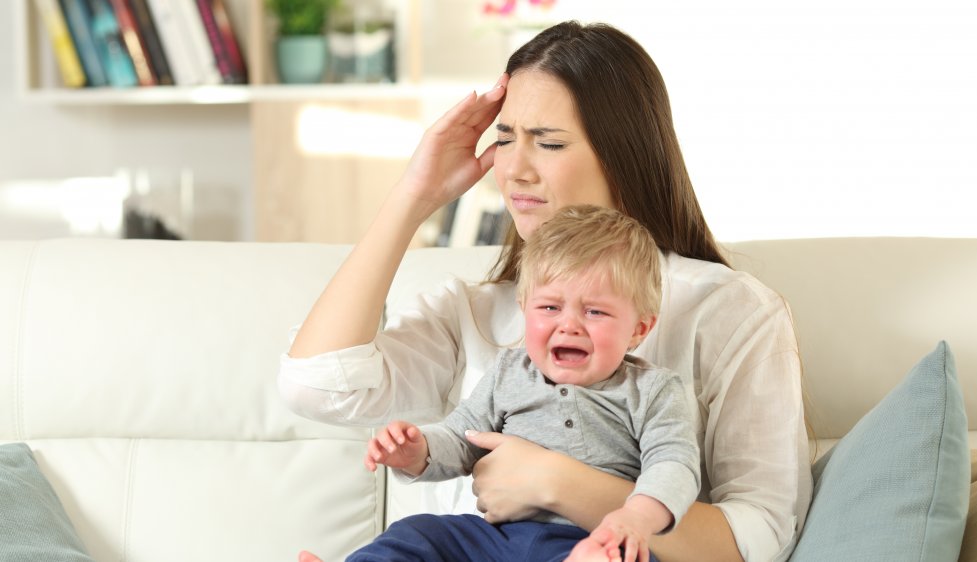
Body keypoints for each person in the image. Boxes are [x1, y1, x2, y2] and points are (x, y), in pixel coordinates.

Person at [280, 20, 811, 562]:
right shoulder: (474, 308)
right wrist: (414, 197)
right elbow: (317, 388)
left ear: (623, 155)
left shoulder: (728, 310)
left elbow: (760, 538)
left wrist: (556, 482)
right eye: (504, 138)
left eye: (549, 142)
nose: (513, 168)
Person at [350, 205, 700, 562]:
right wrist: (417, 451)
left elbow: (674, 464)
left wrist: (636, 518)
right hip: (493, 537)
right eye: (550, 308)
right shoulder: (508, 371)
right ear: (524, 308)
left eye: (595, 312)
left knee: (626, 558)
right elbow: (461, 437)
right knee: (418, 532)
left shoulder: (651, 390)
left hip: (588, 538)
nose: (569, 325)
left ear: (639, 329)